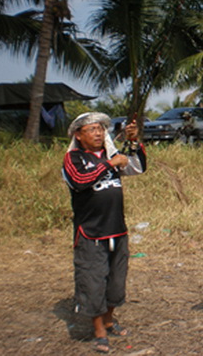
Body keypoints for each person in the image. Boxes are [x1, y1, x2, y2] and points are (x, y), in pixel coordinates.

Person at [62, 112, 147, 354]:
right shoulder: (74, 158)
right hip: (91, 233)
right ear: (78, 135)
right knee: (93, 281)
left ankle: (109, 320)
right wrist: (110, 164)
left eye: (101, 129)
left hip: (117, 230)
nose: (98, 133)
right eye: (92, 129)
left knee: (116, 283)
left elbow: (137, 168)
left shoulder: (111, 155)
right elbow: (79, 180)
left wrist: (133, 142)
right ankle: (99, 331)